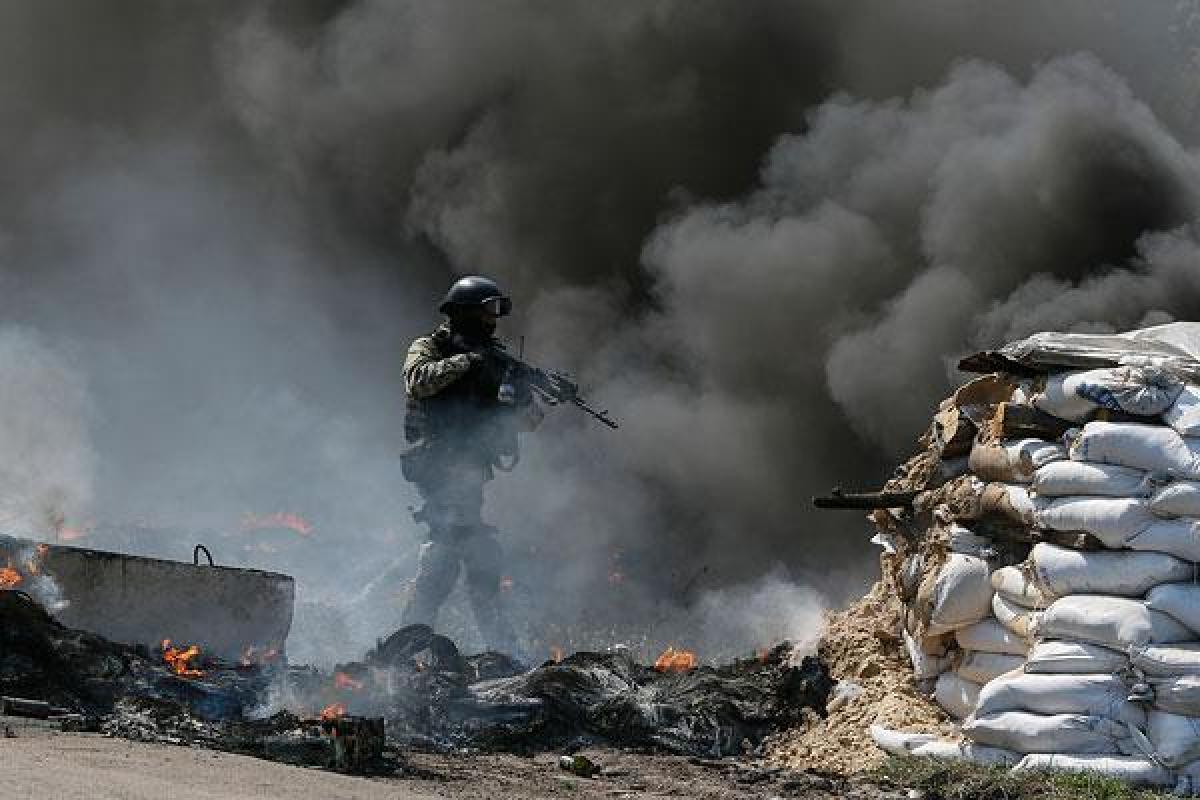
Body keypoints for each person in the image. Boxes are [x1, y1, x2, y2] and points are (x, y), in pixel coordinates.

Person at [398, 275, 543, 655]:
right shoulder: (430, 347)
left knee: (471, 561)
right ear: (462, 313)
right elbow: (417, 381)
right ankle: (407, 648)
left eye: (496, 312)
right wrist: (468, 362)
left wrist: (519, 396)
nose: (492, 320)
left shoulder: (497, 361)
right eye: (486, 311)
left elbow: (527, 421)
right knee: (454, 561)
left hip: (470, 472)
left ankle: (500, 650)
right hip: (437, 467)